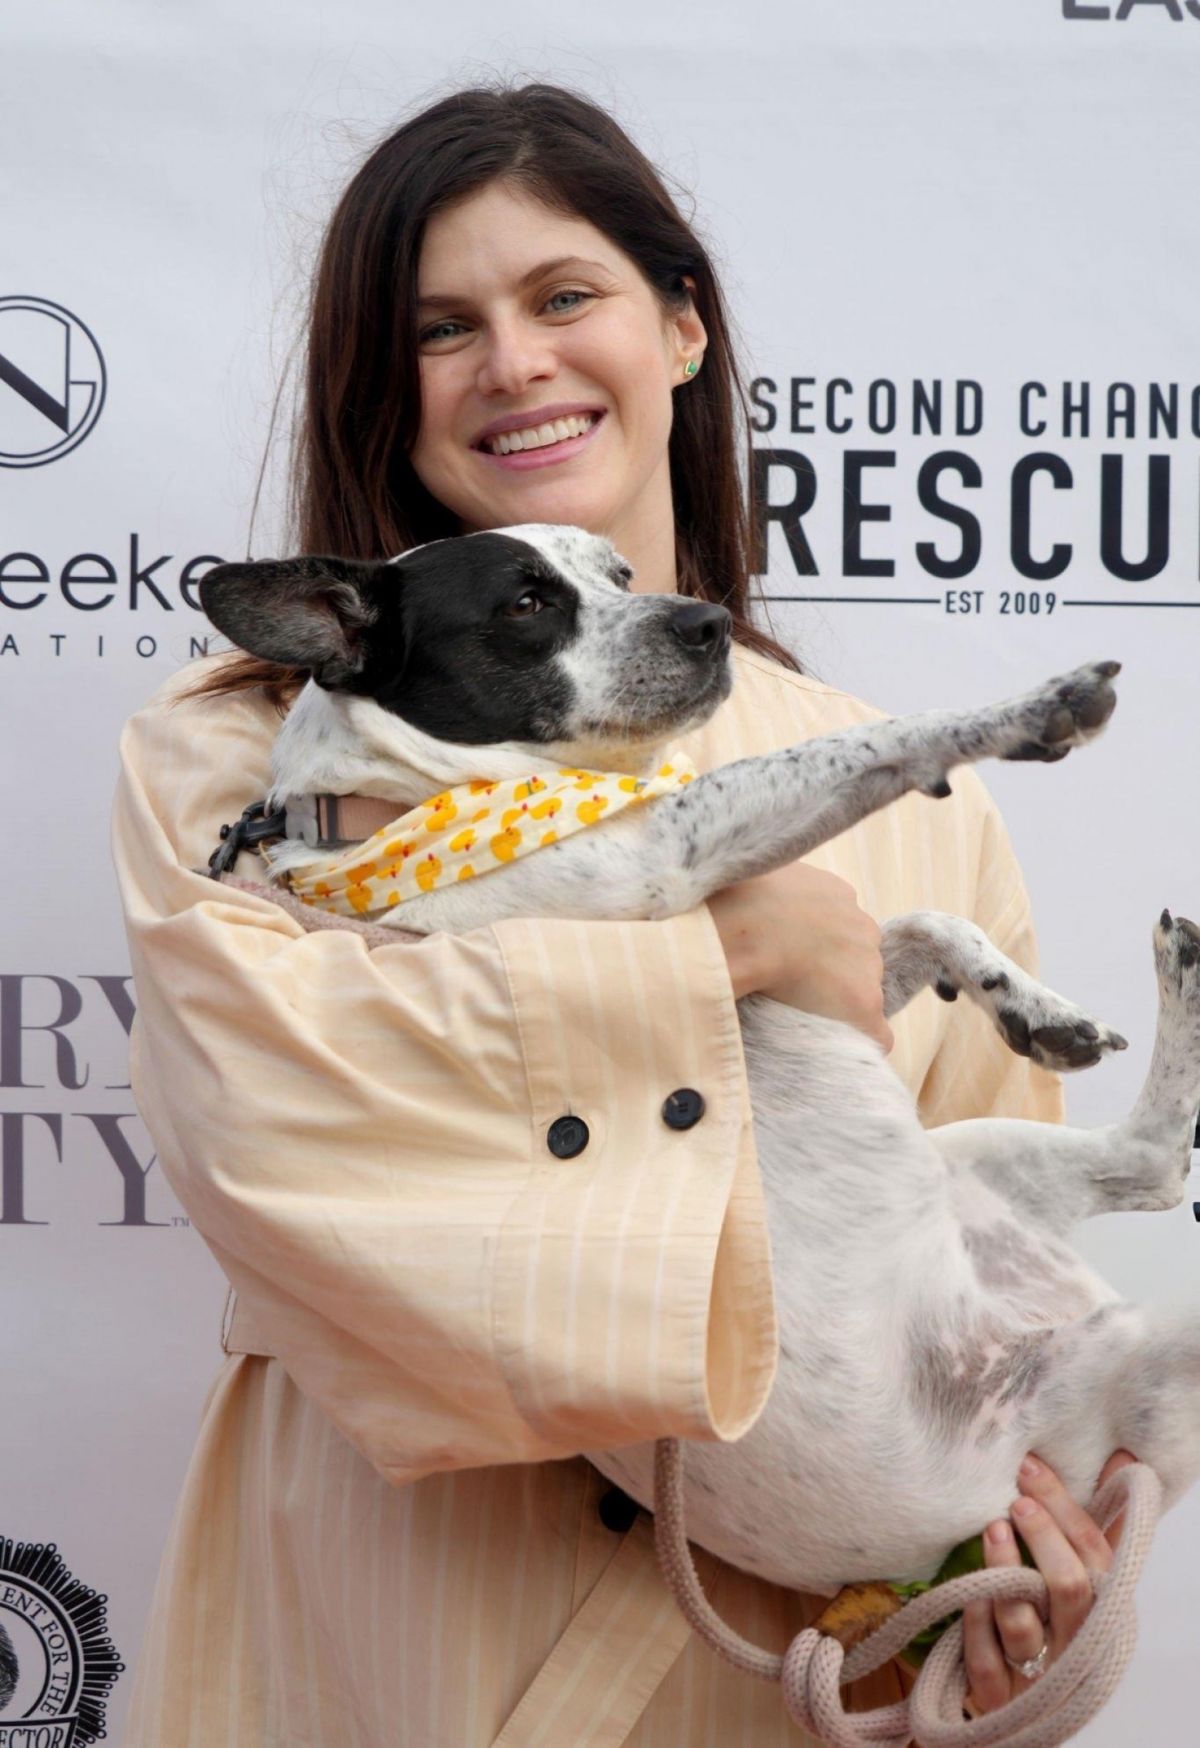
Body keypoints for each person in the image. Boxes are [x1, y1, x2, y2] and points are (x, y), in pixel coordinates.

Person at [113, 79, 1135, 1745]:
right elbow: (288, 1135)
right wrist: (741, 951)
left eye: (563, 297)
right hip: (386, 1638)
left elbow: (978, 1282)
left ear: (680, 328)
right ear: (389, 391)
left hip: (776, 1666)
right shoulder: (233, 758)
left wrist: (1016, 1579)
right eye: (442, 327)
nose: (512, 361)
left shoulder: (917, 802)